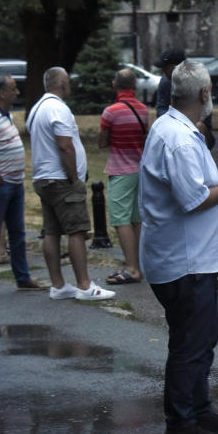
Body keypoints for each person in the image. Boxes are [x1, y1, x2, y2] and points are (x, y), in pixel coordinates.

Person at [139, 60, 218, 434]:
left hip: (191, 258)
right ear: (203, 93)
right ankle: (181, 422)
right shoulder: (179, 138)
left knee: (200, 339)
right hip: (185, 262)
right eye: (211, 89)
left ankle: (200, 409)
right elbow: (193, 199)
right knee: (190, 344)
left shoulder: (175, 129)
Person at [28, 67, 115, 301]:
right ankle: (85, 285)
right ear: (63, 84)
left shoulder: (37, 108)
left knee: (52, 231)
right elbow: (64, 145)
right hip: (61, 179)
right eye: (68, 82)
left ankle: (58, 285)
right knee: (77, 231)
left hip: (43, 177)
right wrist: (74, 176)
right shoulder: (58, 108)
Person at [0, 75, 46, 296]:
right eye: (13, 89)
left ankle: (22, 277)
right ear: (2, 93)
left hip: (13, 183)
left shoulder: (5, 115)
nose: (17, 92)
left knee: (18, 232)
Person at [98, 68, 149, 285]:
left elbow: (102, 142)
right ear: (134, 86)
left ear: (114, 85)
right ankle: (137, 265)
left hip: (120, 170)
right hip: (139, 169)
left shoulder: (111, 112)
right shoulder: (143, 110)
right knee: (136, 219)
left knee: (120, 219)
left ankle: (131, 268)